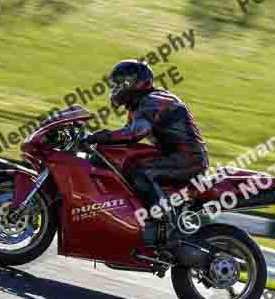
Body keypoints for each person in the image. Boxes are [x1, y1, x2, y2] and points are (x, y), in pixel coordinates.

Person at [84, 60, 209, 246]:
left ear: (134, 83)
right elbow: (124, 137)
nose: (115, 89)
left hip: (189, 159)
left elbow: (134, 134)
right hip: (172, 155)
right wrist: (92, 139)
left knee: (140, 173)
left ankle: (165, 222)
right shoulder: (139, 106)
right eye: (114, 85)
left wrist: (102, 137)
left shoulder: (154, 100)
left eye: (119, 84)